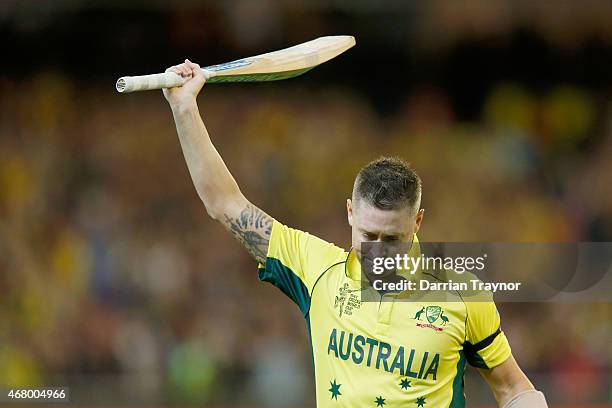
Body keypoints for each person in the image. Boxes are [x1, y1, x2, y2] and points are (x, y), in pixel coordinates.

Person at [162, 59, 548, 407]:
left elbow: (513, 388)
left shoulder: (462, 294)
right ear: (349, 213)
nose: (378, 252)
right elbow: (225, 204)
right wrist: (184, 109)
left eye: (393, 239)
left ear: (417, 223)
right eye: (369, 236)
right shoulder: (316, 269)